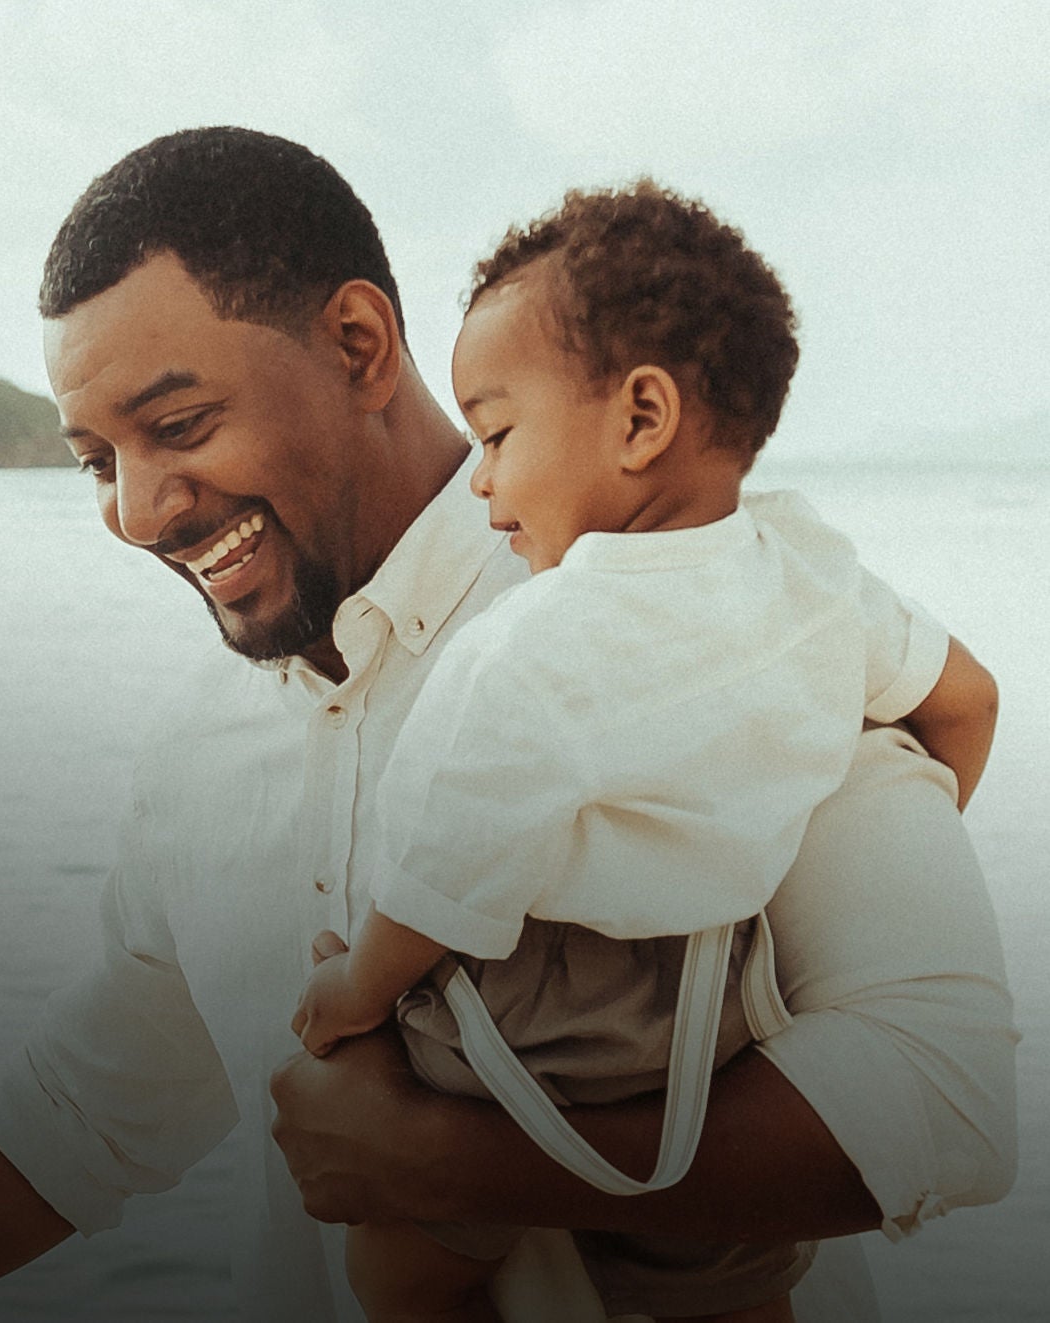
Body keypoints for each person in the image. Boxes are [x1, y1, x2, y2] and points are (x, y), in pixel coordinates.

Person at [0, 128, 1016, 1323]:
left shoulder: (703, 607)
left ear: (360, 344)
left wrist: (456, 1172)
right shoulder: (202, 750)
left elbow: (943, 1099)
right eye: (97, 460)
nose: (140, 514)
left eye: (180, 427)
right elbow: (93, 1106)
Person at [288, 181, 999, 1323]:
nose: (478, 481)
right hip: (720, 1018)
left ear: (639, 419)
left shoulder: (535, 644)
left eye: (496, 434)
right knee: (732, 1284)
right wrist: (862, 819)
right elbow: (966, 700)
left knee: (400, 1268)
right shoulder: (813, 571)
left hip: (527, 1008)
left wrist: (352, 990)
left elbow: (447, 871)